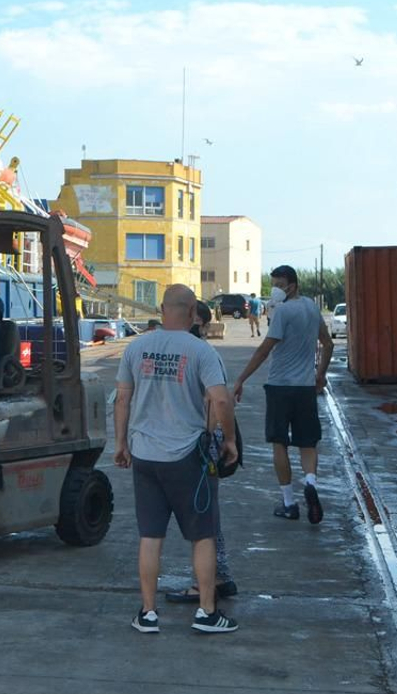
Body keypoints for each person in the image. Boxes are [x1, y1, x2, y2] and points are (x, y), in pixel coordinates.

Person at [114, 285, 239, 635]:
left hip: (144, 455)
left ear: (162, 308)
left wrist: (121, 443)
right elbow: (222, 401)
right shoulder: (200, 351)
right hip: (188, 457)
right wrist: (228, 440)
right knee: (203, 535)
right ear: (192, 312)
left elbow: (122, 399)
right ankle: (207, 613)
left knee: (150, 535)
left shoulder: (136, 347)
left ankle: (148, 613)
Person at [233, 265, 334, 523]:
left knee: (280, 443)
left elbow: (264, 350)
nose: (275, 290)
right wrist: (320, 375)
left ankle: (289, 502)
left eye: (279, 285)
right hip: (305, 388)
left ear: (292, 285)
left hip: (279, 387)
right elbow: (328, 343)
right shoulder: (312, 307)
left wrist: (241, 379)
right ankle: (310, 482)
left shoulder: (284, 312)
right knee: (308, 442)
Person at [166, 300, 237, 606]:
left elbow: (214, 402)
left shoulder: (194, 353)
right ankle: (220, 576)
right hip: (207, 438)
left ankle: (204, 585)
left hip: (198, 441)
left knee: (199, 517)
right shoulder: (206, 353)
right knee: (208, 514)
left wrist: (208, 438)